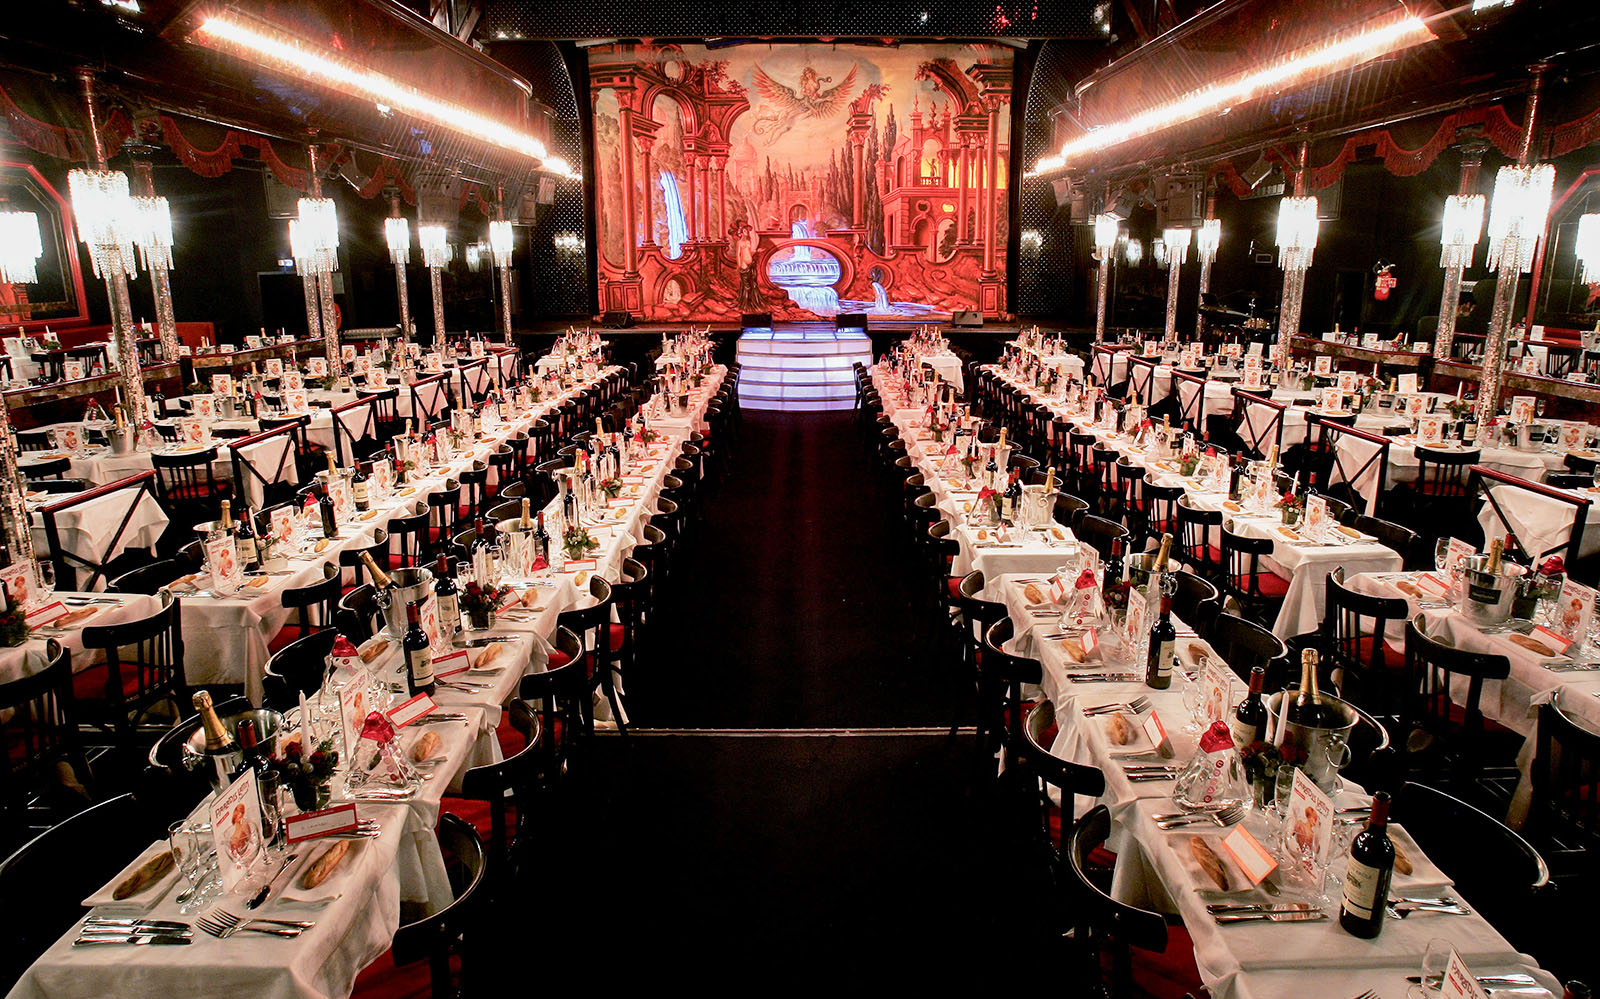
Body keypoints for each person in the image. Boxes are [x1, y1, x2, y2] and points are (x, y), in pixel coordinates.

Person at [731, 219, 762, 313]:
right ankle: (745, 305)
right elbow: (738, 254)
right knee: (746, 285)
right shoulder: (739, 243)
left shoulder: (749, 242)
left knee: (752, 284)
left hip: (750, 264)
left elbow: (749, 252)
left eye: (747, 231)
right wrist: (739, 265)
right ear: (741, 233)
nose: (746, 233)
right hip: (744, 264)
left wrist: (756, 252)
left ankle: (752, 303)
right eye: (744, 231)